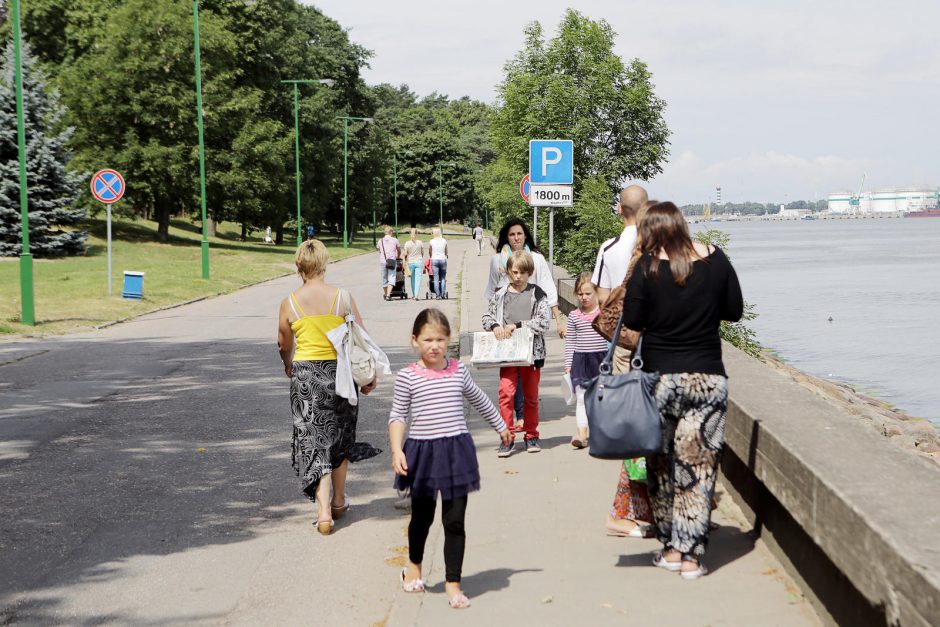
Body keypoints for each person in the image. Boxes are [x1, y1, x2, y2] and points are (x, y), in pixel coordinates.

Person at [621, 201, 744, 579]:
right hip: (706, 379)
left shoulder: (646, 269)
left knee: (661, 465)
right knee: (698, 468)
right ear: (683, 226)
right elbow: (734, 310)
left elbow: (633, 321)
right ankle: (692, 556)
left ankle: (672, 547)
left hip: (660, 380)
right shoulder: (716, 261)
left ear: (651, 232)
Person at [390, 309, 511, 609]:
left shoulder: (458, 371)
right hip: (423, 456)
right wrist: (396, 449)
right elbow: (398, 415)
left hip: (457, 454)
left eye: (441, 339)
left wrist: (501, 426)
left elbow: (479, 399)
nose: (435, 346)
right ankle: (414, 565)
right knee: (423, 518)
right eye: (428, 339)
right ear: (415, 340)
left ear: (449, 340)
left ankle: (453, 583)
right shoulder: (407, 377)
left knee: (454, 521)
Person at [277, 239, 381, 535]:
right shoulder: (342, 298)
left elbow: (283, 342)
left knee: (314, 439)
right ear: (324, 264)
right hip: (342, 375)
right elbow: (362, 338)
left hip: (306, 377)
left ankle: (323, 512)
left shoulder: (290, 302)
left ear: (299, 266)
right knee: (340, 436)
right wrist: (370, 375)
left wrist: (288, 363)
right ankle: (338, 500)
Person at [484, 218, 566, 431]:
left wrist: (558, 320)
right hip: (506, 327)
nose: (516, 238)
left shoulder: (536, 259)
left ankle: (526, 422)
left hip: (529, 325)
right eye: (512, 234)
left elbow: (548, 289)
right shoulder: (496, 261)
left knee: (526, 382)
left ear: (525, 236)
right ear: (507, 237)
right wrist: (495, 322)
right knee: (508, 386)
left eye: (519, 234)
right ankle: (513, 425)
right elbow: (492, 290)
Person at [482, 250, 551, 457]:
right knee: (506, 393)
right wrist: (495, 325)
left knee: (530, 397)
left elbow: (544, 322)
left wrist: (518, 325)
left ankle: (531, 435)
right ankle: (507, 437)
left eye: (522, 272)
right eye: (514, 272)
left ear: (529, 273)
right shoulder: (500, 294)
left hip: (531, 354)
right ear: (509, 272)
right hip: (508, 353)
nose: (518, 276)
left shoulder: (537, 293)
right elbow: (486, 317)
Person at [564, 272, 608, 449]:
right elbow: (570, 342)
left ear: (597, 292)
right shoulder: (574, 316)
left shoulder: (603, 313)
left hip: (601, 359)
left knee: (601, 397)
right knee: (582, 398)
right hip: (580, 361)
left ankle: (600, 433)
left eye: (588, 293)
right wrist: (568, 364)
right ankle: (582, 434)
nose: (584, 297)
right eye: (580, 294)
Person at [377, 226, 401, 301]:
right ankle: (388, 295)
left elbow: (379, 250)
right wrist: (398, 256)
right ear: (391, 232)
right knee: (391, 278)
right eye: (392, 232)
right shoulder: (395, 240)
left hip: (383, 261)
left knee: (384, 279)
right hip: (392, 261)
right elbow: (399, 250)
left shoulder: (380, 241)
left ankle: (386, 294)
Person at [403, 229, 425, 301]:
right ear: (417, 234)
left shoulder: (407, 243)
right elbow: (422, 253)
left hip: (411, 262)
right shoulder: (420, 242)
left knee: (413, 279)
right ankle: (416, 295)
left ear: (410, 234)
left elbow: (405, 253)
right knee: (418, 279)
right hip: (419, 262)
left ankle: (413, 295)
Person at [428, 228, 448, 299]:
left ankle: (438, 295)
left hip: (434, 260)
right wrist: (445, 255)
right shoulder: (444, 240)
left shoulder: (431, 241)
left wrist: (432, 257)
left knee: (436, 278)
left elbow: (430, 251)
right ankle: (443, 294)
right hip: (442, 259)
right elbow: (446, 252)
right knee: (442, 278)